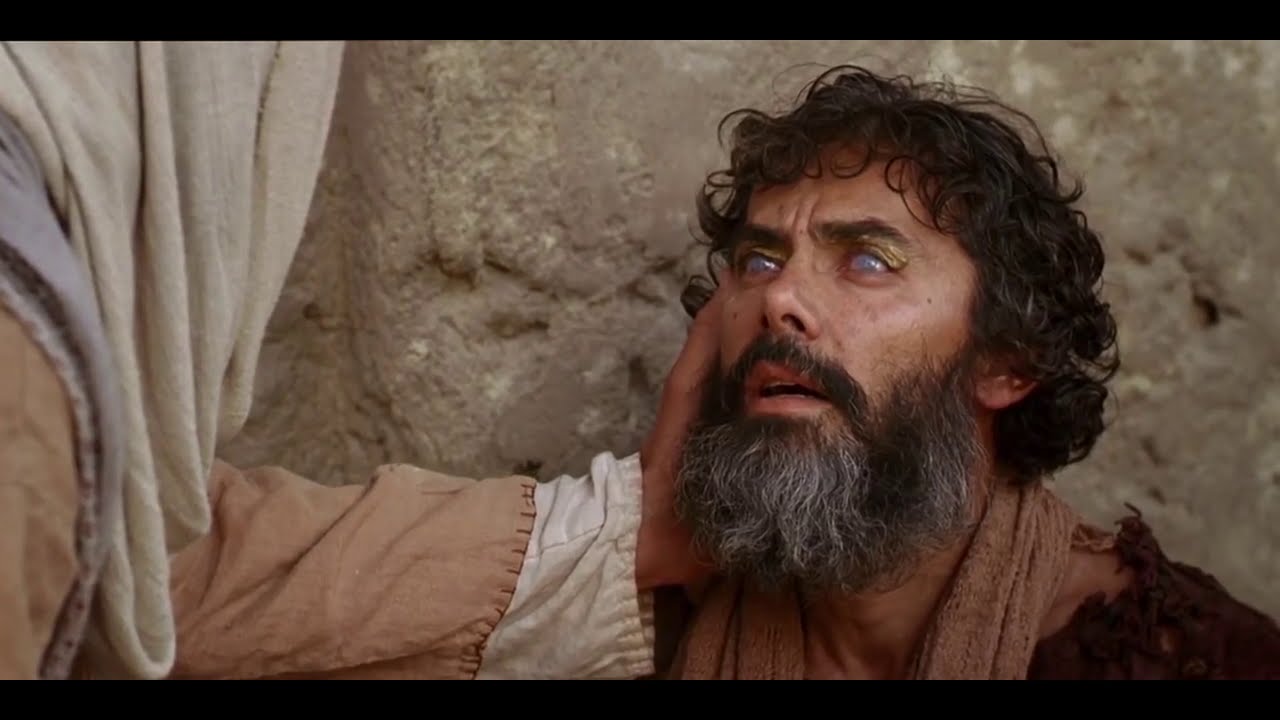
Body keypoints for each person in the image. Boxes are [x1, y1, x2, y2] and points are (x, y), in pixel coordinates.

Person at [1, 45, 1277, 681]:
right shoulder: (642, 627)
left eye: (866, 260)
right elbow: (152, 598)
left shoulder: (1183, 657)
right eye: (760, 258)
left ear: (1005, 362)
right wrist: (638, 536)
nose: (781, 301)